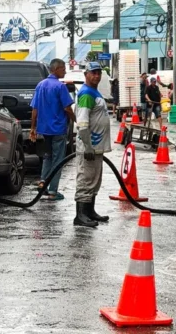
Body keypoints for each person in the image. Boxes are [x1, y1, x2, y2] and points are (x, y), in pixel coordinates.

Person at [71, 62, 112, 228]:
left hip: (96, 146)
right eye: (93, 73)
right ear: (86, 74)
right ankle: (80, 215)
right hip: (89, 147)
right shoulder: (86, 94)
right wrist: (87, 146)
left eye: (98, 73)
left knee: (94, 180)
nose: (96, 76)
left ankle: (89, 211)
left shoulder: (94, 92)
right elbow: (82, 123)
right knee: (86, 179)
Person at [31, 58, 76, 201]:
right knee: (58, 160)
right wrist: (77, 120)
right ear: (55, 69)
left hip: (44, 129)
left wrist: (33, 127)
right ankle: (52, 191)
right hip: (58, 129)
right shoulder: (60, 87)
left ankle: (43, 182)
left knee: (47, 157)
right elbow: (67, 108)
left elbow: (35, 108)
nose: (65, 71)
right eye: (63, 69)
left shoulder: (40, 85)